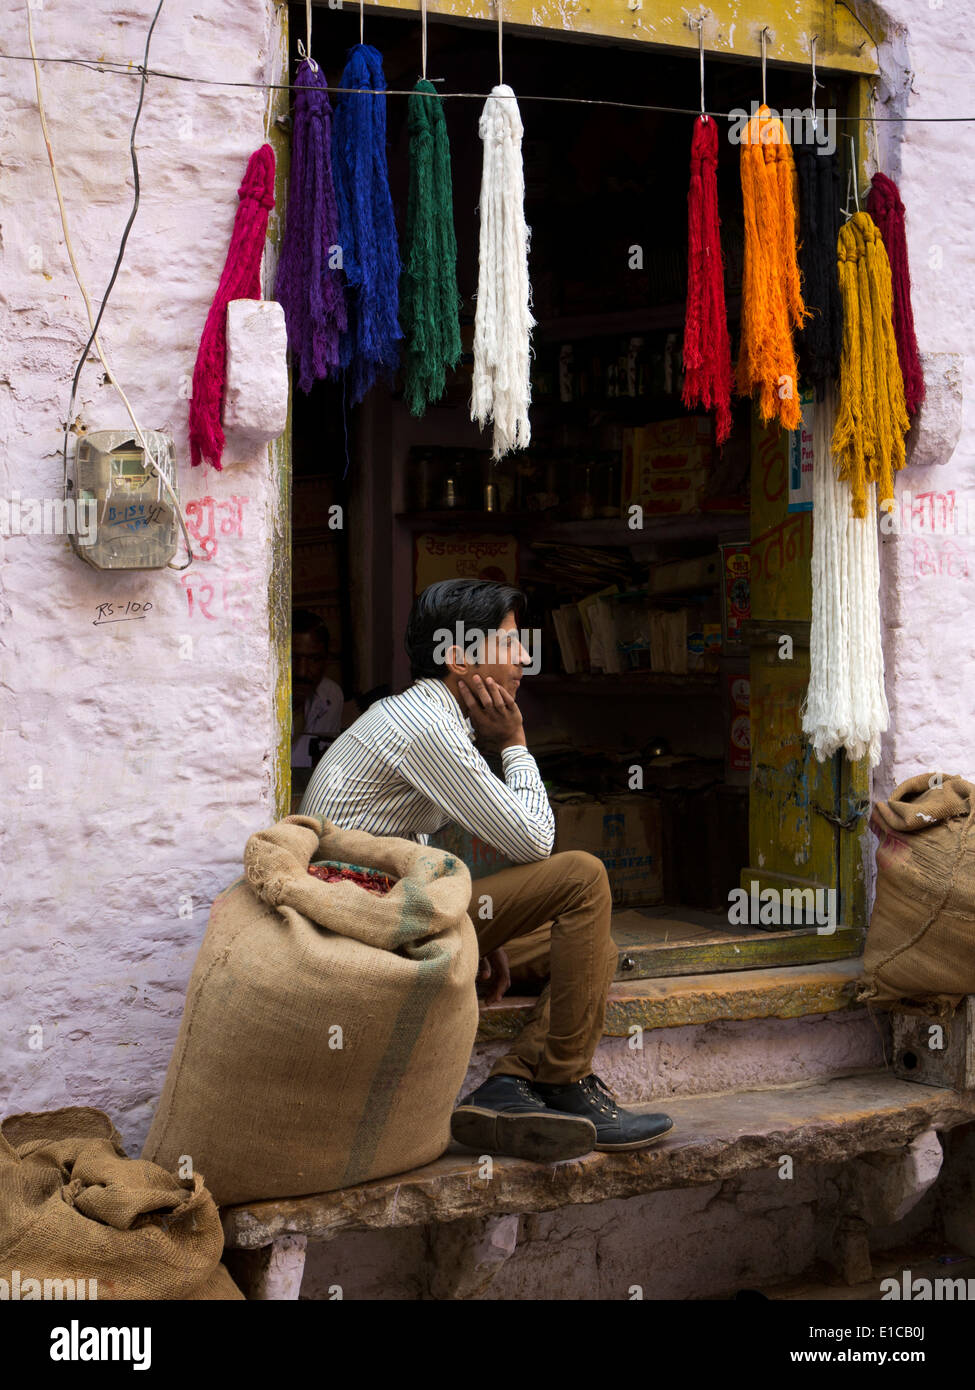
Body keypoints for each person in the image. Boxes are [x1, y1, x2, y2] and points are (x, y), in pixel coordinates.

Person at [299, 579, 674, 1163]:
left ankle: (512, 1083)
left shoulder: (423, 715)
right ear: (457, 656)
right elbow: (534, 842)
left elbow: (428, 849)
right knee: (581, 876)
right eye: (510, 643)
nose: (525, 658)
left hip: (401, 912)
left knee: (591, 948)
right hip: (372, 932)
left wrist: (483, 925)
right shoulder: (426, 727)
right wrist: (516, 741)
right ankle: (565, 1081)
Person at [291, 609, 346, 773]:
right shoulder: (257, 700)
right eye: (292, 657)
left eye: (314, 659)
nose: (302, 671)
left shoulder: (330, 697)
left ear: (326, 660)